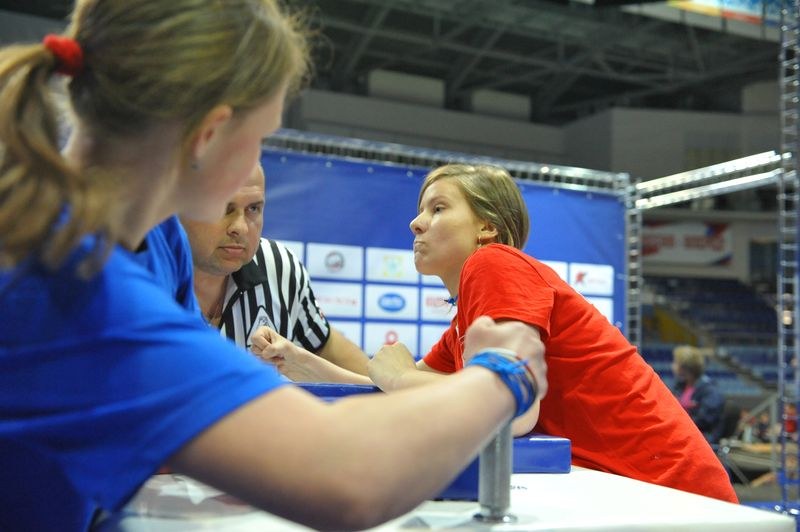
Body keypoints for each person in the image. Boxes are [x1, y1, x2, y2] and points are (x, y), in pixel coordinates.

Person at [0, 2, 548, 531]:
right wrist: (503, 374)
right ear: (210, 135)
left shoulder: (156, 240)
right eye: (260, 137)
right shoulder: (74, 288)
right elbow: (348, 479)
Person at [367, 163, 738, 504]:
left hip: (677, 495)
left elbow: (513, 412)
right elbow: (398, 385)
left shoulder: (493, 262)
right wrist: (311, 362)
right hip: (636, 491)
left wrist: (399, 376)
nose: (416, 223)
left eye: (438, 208)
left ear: (487, 226)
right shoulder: (467, 321)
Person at [180, 163, 369, 378]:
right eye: (224, 207)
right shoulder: (144, 272)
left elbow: (326, 345)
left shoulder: (279, 266)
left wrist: (390, 390)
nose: (240, 227)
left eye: (253, 209)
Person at [671, 345, 726, 443]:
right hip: (682, 435)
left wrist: (677, 424)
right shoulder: (679, 386)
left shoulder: (710, 391)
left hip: (702, 439)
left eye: (675, 362)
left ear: (685, 366)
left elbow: (704, 420)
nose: (672, 365)